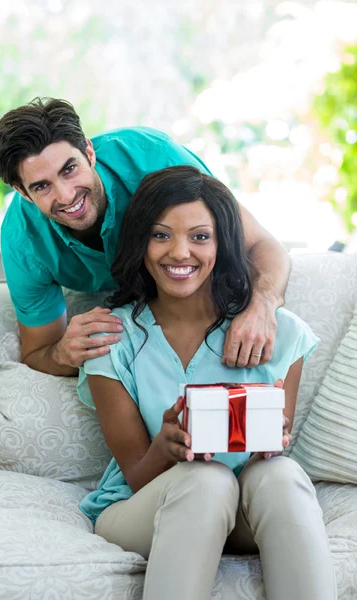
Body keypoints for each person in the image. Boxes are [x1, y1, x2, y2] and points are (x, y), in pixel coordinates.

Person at [76, 165, 336, 600]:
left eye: (200, 236)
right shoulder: (113, 339)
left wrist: (268, 443)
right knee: (205, 480)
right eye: (161, 235)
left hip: (244, 512)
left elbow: (262, 472)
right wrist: (166, 445)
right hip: (144, 507)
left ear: (223, 245)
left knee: (282, 473)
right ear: (140, 242)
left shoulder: (278, 333)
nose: (180, 253)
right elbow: (138, 475)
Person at [0, 97, 291, 376]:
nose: (66, 196)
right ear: (22, 193)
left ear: (89, 153)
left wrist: (261, 306)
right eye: (42, 186)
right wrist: (63, 354)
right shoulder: (22, 242)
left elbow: (261, 245)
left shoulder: (155, 158)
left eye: (69, 169)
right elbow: (38, 350)